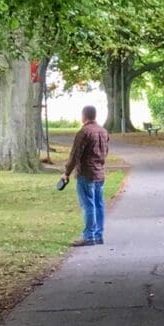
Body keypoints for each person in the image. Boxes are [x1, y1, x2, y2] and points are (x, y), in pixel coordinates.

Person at [62, 105, 109, 246]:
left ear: (85, 116)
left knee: (88, 205)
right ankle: (98, 235)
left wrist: (66, 173)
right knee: (99, 204)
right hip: (100, 173)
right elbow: (105, 152)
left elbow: (75, 155)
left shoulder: (84, 132)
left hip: (86, 173)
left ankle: (89, 236)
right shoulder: (103, 131)